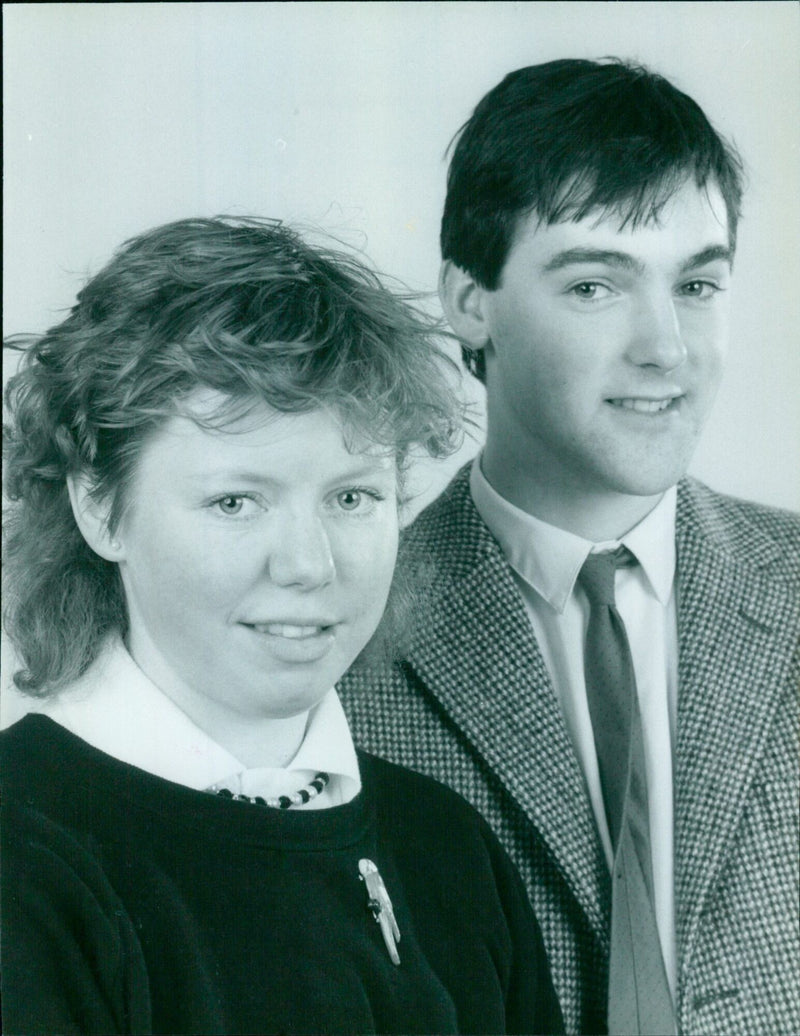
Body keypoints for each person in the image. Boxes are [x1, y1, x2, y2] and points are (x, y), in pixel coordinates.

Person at [0, 217, 564, 1036]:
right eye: (237, 501)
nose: (309, 564)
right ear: (98, 508)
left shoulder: (448, 845)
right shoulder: (22, 860)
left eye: (351, 497)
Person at [339, 58, 800, 1035]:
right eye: (594, 283)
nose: (665, 347)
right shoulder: (335, 632)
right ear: (469, 302)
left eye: (698, 283)